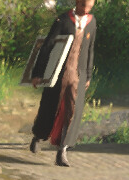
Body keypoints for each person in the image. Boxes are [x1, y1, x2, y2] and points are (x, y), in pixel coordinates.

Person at [28, 0, 98, 165]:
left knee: (72, 111)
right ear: (77, 2)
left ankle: (62, 150)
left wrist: (88, 75)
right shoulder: (63, 20)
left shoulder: (92, 22)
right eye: (83, 6)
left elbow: (90, 49)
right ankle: (39, 136)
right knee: (50, 106)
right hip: (58, 73)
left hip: (78, 75)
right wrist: (38, 73)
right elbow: (48, 46)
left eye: (89, 7)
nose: (85, 10)